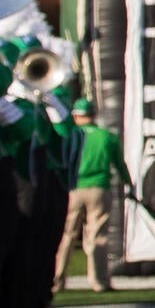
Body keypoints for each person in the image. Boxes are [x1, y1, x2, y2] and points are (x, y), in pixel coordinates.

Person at [53, 99, 128, 293]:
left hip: (73, 188)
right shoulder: (106, 136)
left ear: (75, 115)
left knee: (66, 235)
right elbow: (119, 163)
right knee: (98, 237)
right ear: (93, 114)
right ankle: (98, 281)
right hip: (99, 188)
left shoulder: (70, 135)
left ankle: (56, 279)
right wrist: (128, 182)